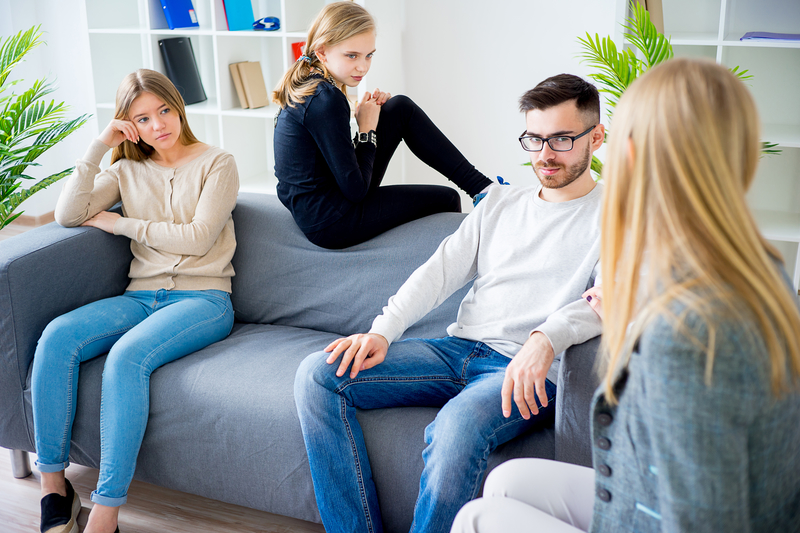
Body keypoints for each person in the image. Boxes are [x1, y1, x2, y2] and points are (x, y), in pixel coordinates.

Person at [451, 58, 800, 533]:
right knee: (508, 481)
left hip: (659, 515)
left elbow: (705, 518)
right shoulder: (762, 269)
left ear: (627, 154)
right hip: (654, 494)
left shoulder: (688, 331)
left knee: (476, 517)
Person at [294, 73, 606, 533]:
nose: (544, 155)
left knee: (457, 424)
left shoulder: (617, 215)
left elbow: (611, 297)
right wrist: (383, 331)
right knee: (318, 375)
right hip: (456, 350)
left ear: (596, 137)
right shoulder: (499, 203)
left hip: (522, 371)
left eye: (561, 139)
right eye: (534, 139)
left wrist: (544, 340)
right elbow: (436, 274)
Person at [33, 69, 239, 533]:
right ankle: (53, 488)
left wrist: (119, 223)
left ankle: (105, 514)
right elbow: (69, 214)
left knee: (126, 358)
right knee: (57, 337)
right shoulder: (126, 169)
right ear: (130, 126)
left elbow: (198, 239)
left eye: (164, 110)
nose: (158, 124)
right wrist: (98, 147)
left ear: (179, 107)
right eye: (142, 119)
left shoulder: (217, 162)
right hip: (141, 295)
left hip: (203, 298)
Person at [271, 1, 497, 249]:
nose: (363, 66)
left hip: (323, 204)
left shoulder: (311, 83)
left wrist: (372, 120)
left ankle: (484, 190)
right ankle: (459, 268)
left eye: (369, 55)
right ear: (322, 52)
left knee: (398, 108)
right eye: (352, 56)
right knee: (448, 198)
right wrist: (367, 130)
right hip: (329, 222)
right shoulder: (325, 100)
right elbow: (356, 191)